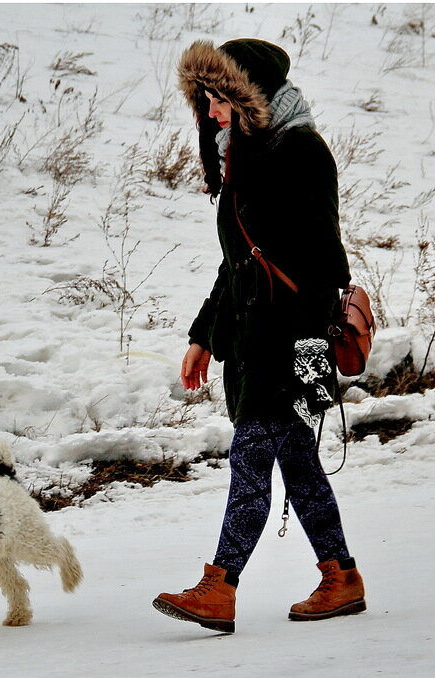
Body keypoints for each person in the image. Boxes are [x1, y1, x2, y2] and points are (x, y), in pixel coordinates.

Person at [152, 39, 365, 634]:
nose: (213, 111)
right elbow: (239, 262)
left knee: (250, 462)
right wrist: (203, 337)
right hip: (250, 338)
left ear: (251, 96)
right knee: (295, 462)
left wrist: (304, 347)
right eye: (207, 100)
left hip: (286, 342)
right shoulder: (243, 155)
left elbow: (328, 262)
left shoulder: (300, 151)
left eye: (221, 97)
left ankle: (219, 587)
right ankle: (341, 576)